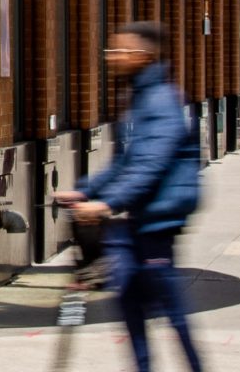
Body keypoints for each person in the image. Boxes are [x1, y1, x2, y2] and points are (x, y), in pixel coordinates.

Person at [55, 21, 202, 372]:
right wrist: (86, 190)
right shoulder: (139, 96)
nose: (112, 56)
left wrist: (107, 204)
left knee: (171, 313)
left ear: (143, 55)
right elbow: (125, 162)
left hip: (158, 223)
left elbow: (150, 166)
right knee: (132, 307)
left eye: (120, 50)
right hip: (138, 223)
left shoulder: (163, 101)